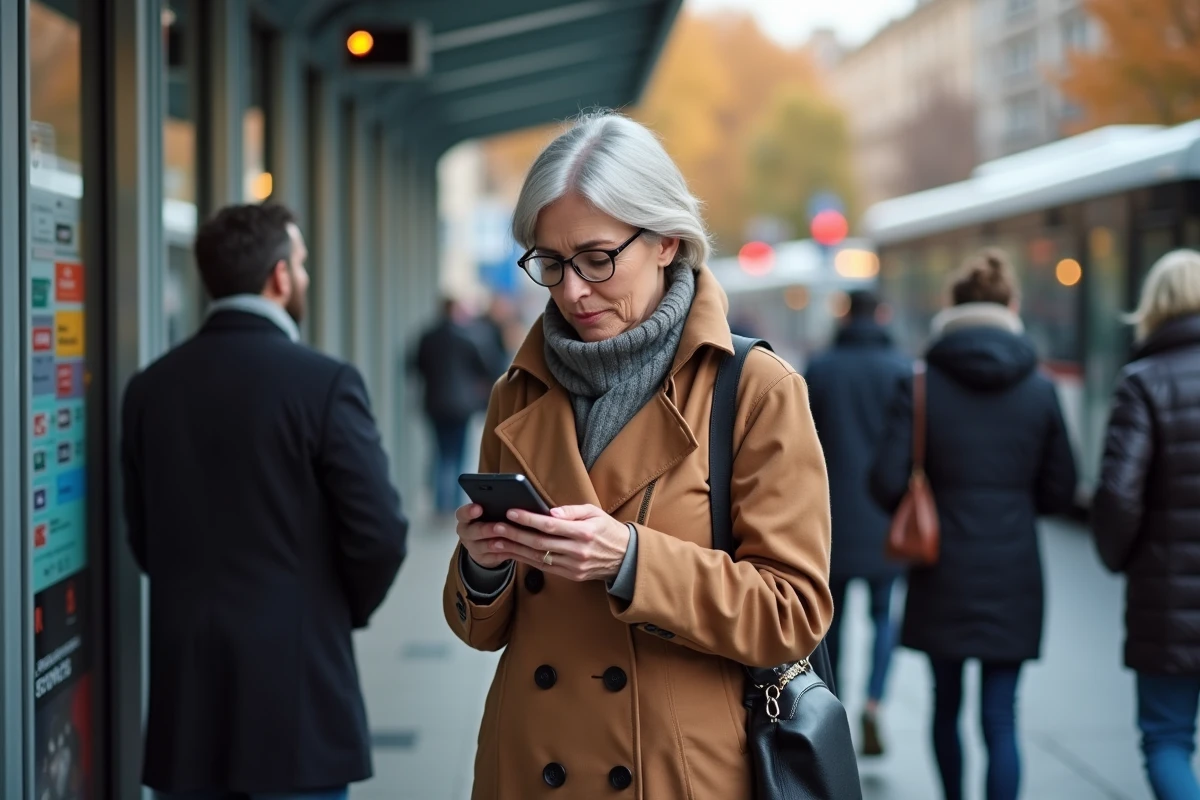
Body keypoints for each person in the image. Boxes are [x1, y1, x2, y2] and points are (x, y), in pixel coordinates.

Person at [441, 111, 834, 798]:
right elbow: (483, 631)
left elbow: (792, 610)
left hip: (676, 775)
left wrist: (630, 560)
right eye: (550, 263)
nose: (571, 291)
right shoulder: (516, 391)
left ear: (666, 241)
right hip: (530, 765)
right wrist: (482, 563)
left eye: (596, 259)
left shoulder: (756, 390)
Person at [120, 203, 408, 800]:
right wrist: (333, 610)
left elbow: (143, 537)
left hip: (188, 706)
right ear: (279, 276)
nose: (303, 277)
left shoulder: (150, 388)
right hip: (295, 700)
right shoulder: (324, 383)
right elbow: (379, 530)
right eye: (300, 264)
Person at [870, 248, 1077, 800]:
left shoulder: (919, 385)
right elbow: (1061, 489)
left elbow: (885, 481)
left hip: (943, 569)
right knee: (1001, 715)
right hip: (1013, 568)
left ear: (953, 308)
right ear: (1012, 306)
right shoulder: (1040, 388)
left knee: (946, 703)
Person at [1092, 249, 1200, 800]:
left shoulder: (1143, 381)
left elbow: (1118, 494)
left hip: (1167, 593)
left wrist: (1117, 556)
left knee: (1167, 738)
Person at [805, 289, 910, 756]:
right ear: (883, 314)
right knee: (884, 616)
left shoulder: (822, 368)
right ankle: (874, 702)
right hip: (886, 518)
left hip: (832, 518)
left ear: (845, 315)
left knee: (832, 622)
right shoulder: (903, 369)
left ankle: (837, 709)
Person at [411, 297, 496, 516]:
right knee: (457, 454)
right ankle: (453, 504)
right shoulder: (465, 338)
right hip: (460, 405)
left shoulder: (428, 337)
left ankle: (440, 504)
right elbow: (483, 367)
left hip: (435, 403)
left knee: (440, 453)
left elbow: (414, 365)